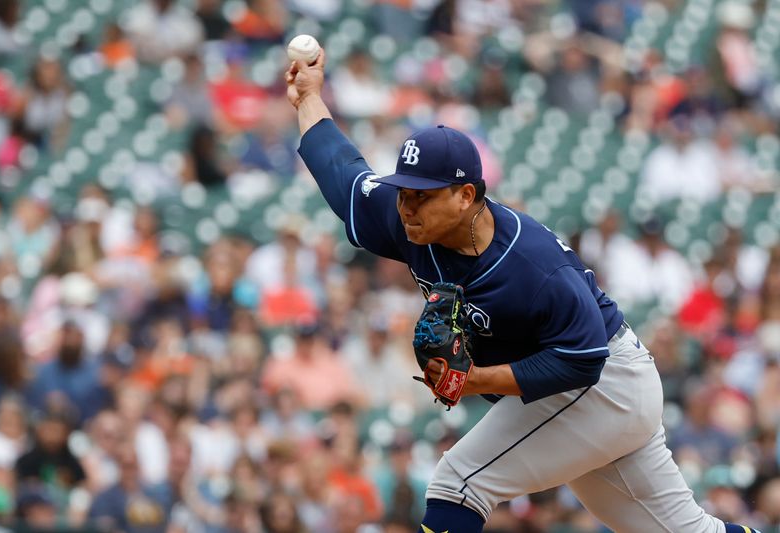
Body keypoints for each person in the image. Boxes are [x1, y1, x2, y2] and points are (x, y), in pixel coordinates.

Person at [285, 49, 762, 533]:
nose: (407, 206)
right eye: (404, 192)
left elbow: (583, 358)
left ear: (466, 195)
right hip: (591, 397)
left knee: (458, 484)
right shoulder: (406, 218)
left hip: (602, 385)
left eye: (421, 196)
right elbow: (342, 172)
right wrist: (308, 97)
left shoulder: (532, 264)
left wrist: (475, 381)